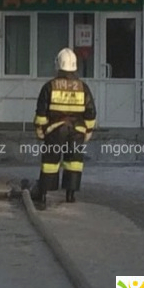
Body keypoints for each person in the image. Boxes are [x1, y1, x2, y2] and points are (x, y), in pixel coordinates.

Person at [33, 48, 96, 204]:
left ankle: (43, 194)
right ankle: (70, 194)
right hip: (77, 131)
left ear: (58, 65)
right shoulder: (83, 87)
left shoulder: (50, 86)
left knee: (50, 162)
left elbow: (41, 112)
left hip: (55, 130)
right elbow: (90, 112)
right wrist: (88, 130)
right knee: (74, 162)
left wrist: (40, 130)